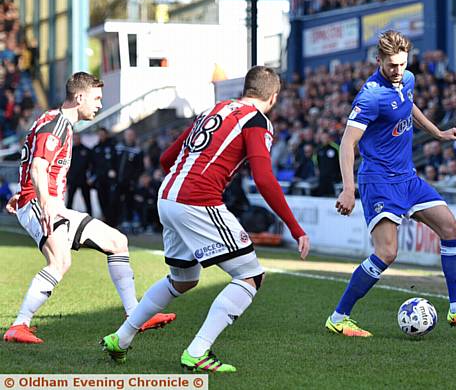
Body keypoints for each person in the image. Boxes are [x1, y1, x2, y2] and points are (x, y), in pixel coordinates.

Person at [100, 66, 310, 373]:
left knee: (183, 279)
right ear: (273, 97)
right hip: (197, 200)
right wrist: (295, 227)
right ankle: (197, 351)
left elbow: (166, 158)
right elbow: (264, 178)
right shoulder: (257, 121)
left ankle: (121, 338)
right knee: (251, 277)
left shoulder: (216, 109)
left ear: (246, 90)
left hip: (168, 196)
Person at [325, 30, 456, 337]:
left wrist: (438, 133)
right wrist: (348, 188)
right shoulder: (371, 95)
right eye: (392, 65)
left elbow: (408, 105)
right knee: (387, 253)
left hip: (408, 178)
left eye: (402, 64)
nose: (398, 70)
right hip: (379, 181)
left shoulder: (408, 79)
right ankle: (339, 316)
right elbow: (348, 143)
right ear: (379, 61)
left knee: (451, 228)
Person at [3, 72, 175, 344]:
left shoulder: (56, 122)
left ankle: (135, 316)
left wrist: (30, 193)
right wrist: (41, 200)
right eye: (96, 98)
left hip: (45, 203)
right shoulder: (57, 124)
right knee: (60, 261)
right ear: (79, 97)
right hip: (42, 204)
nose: (99, 104)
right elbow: (38, 166)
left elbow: (33, 161)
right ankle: (19, 325)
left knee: (118, 242)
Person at [66, 133, 93, 215]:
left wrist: (90, 177)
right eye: (74, 139)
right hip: (72, 179)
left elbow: (91, 165)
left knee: (87, 200)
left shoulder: (87, 150)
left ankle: (90, 215)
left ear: (80, 138)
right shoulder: (70, 151)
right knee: (69, 200)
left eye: (77, 138)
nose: (76, 140)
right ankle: (67, 217)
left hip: (84, 180)